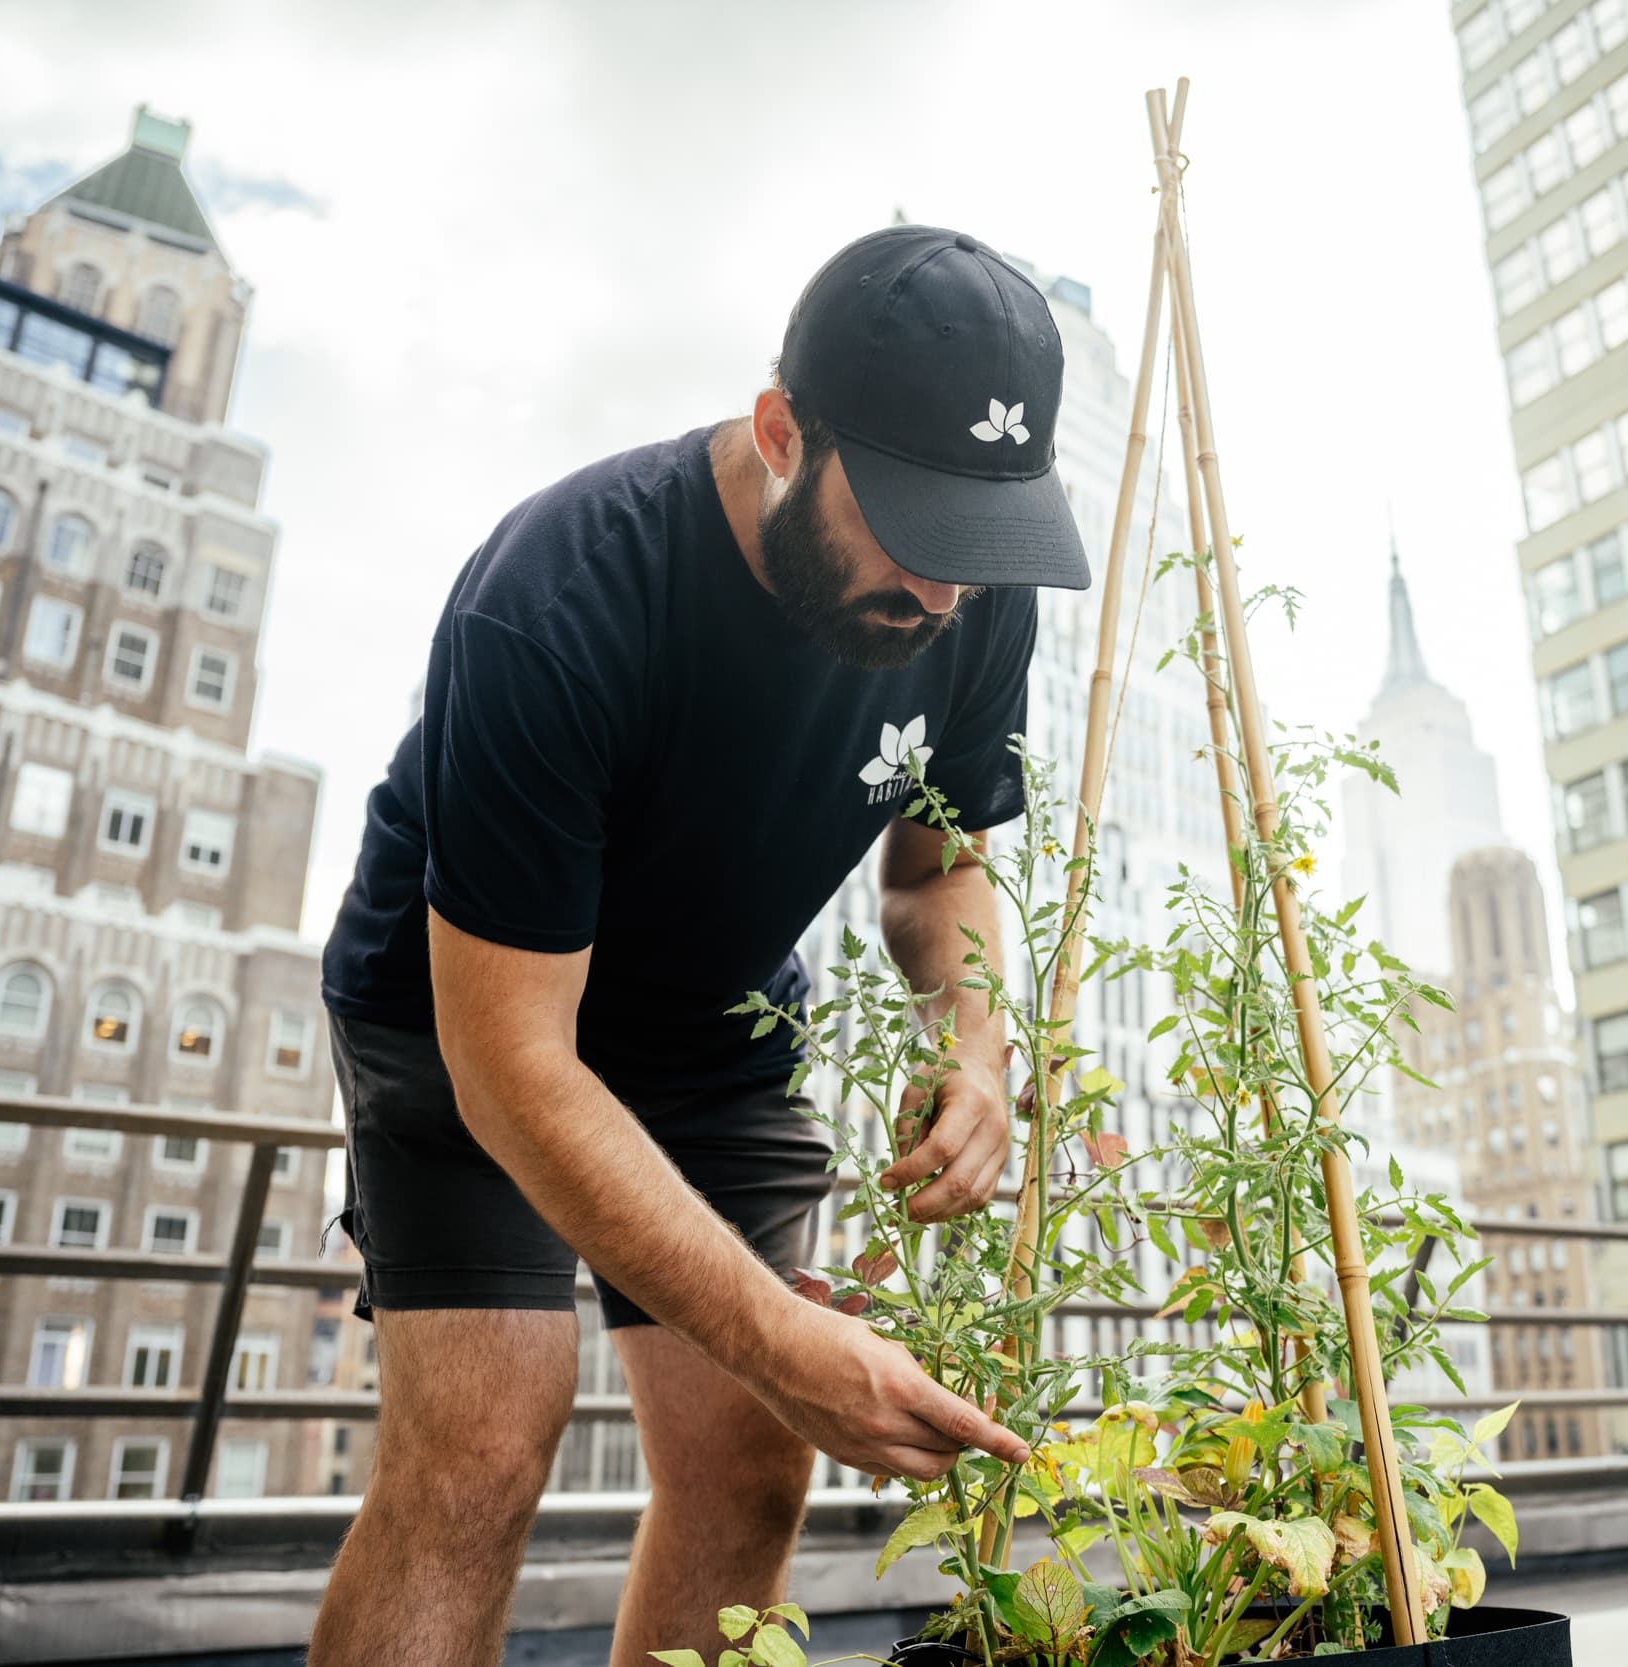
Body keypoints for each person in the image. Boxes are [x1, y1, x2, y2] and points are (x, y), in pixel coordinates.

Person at [308, 225, 1092, 1667]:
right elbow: (513, 1071)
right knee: (484, 1449)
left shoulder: (972, 604)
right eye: (915, 533)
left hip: (716, 1028)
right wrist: (788, 1342)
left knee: (747, 1459)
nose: (943, 596)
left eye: (980, 548)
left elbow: (940, 872)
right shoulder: (556, 600)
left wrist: (976, 1044)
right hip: (470, 1016)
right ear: (785, 431)